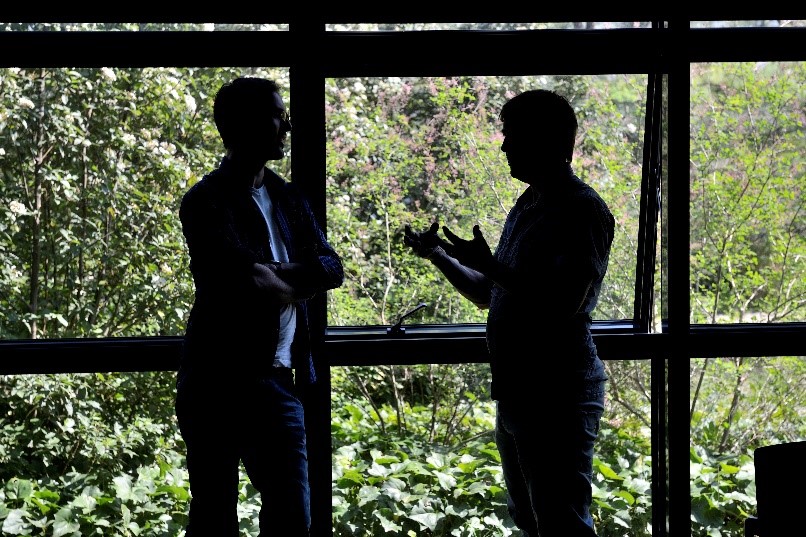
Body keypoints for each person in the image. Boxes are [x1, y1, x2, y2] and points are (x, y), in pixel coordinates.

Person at [403, 89, 614, 536]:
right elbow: (489, 292)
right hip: (522, 392)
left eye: (511, 134)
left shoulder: (582, 209)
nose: (503, 146)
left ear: (547, 140)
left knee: (562, 524)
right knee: (533, 520)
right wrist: (439, 254)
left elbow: (564, 302)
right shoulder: (529, 204)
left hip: (558, 394)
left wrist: (491, 265)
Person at [176, 76, 344, 537]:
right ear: (242, 125)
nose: (287, 125)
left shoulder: (289, 198)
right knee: (214, 520)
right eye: (276, 115)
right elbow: (249, 280)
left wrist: (276, 275)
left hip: (279, 380)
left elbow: (331, 268)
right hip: (215, 384)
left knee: (293, 521)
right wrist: (294, 278)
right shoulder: (205, 200)